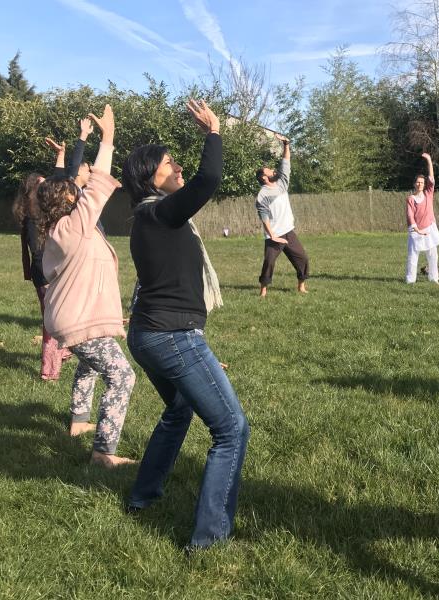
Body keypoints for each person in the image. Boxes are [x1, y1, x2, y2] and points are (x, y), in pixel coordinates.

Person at [123, 99, 249, 551]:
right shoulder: (159, 213)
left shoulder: (149, 217)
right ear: (149, 177)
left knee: (178, 410)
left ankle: (143, 494)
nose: (176, 167)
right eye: (168, 164)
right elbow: (208, 179)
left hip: (148, 334)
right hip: (171, 337)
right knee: (231, 429)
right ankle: (209, 538)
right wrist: (213, 132)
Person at [36, 104, 137, 468]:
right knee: (123, 376)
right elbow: (97, 188)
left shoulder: (67, 228)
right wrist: (107, 139)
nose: (77, 190)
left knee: (90, 365)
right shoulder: (71, 227)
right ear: (64, 201)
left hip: (77, 316)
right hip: (74, 320)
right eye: (71, 191)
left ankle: (79, 421)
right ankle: (103, 452)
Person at [13, 172, 71, 380]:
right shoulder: (33, 218)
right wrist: (51, 275)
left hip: (50, 274)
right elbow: (38, 253)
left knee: (59, 318)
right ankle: (49, 370)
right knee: (51, 323)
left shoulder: (42, 215)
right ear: (32, 191)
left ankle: (63, 351)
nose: (46, 188)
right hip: (45, 275)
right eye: (41, 185)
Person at [254, 133, 309, 297]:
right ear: (264, 177)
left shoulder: (282, 183)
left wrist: (286, 145)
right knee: (269, 262)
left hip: (288, 231)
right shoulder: (262, 195)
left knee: (303, 258)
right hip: (274, 235)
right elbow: (264, 218)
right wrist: (273, 236)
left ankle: (301, 286)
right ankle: (263, 289)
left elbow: (286, 163)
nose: (273, 170)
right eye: (269, 170)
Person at [405, 152, 439, 284]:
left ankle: (434, 278)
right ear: (414, 184)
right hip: (416, 232)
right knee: (413, 257)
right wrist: (418, 230)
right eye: (418, 182)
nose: (420, 184)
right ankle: (410, 280)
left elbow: (431, 178)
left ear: (424, 185)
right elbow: (410, 216)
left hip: (429, 229)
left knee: (433, 256)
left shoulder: (429, 193)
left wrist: (429, 161)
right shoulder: (411, 199)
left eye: (422, 182)